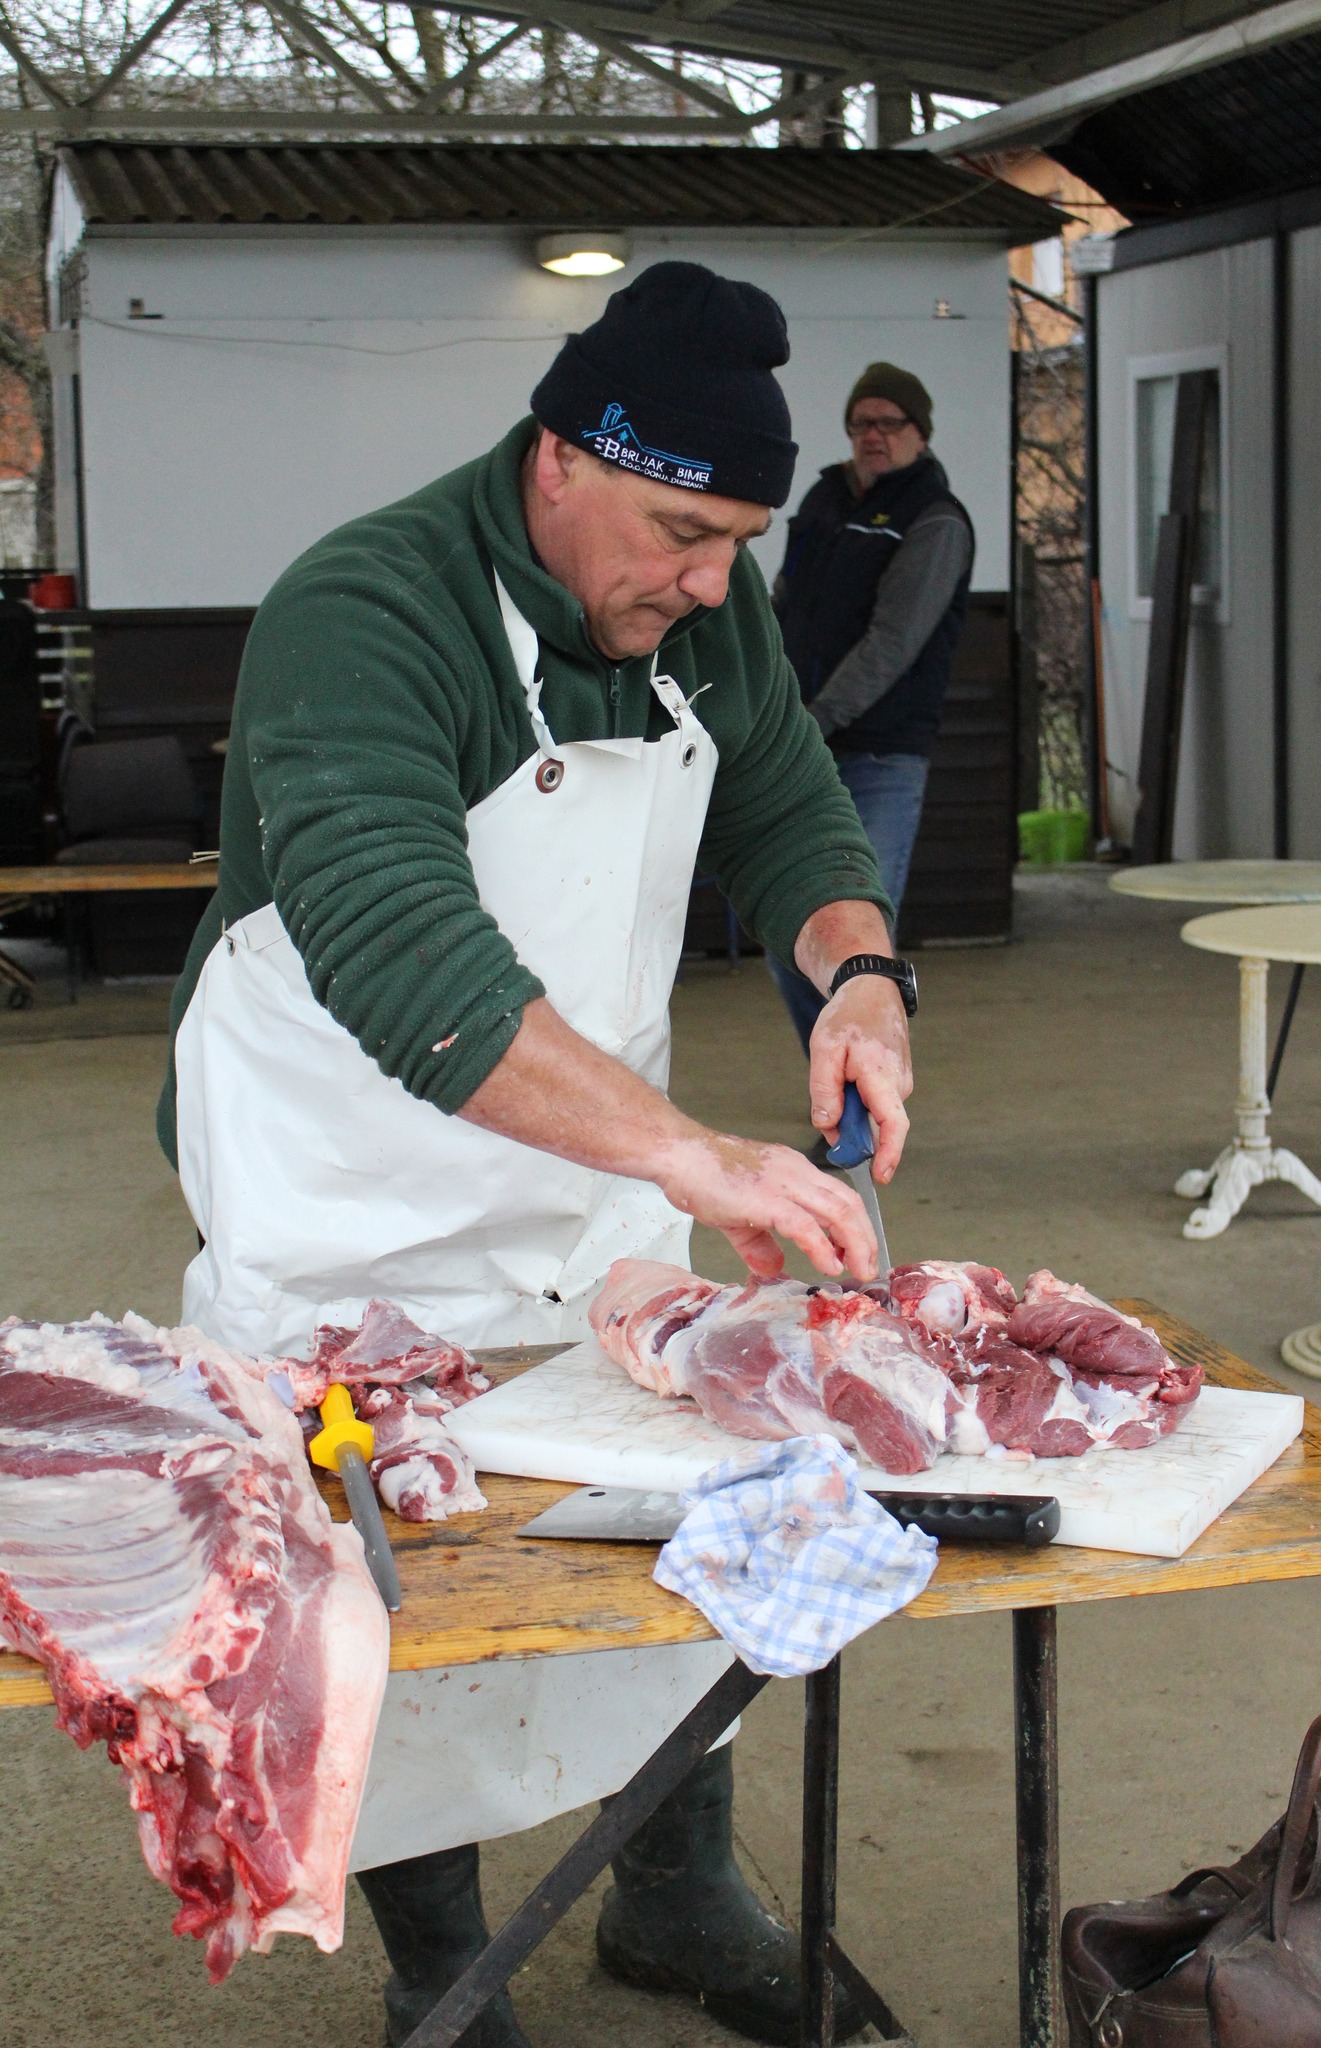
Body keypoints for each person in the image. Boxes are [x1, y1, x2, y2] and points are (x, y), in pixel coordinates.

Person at [157, 263, 917, 2048]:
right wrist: (701, 1158)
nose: (713, 581)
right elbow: (406, 956)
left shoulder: (700, 612)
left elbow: (792, 802)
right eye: (679, 529)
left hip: (585, 1158)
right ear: (562, 458)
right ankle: (443, 1953)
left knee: (665, 1508)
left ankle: (677, 1891)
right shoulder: (365, 604)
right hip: (343, 1168)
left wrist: (857, 974)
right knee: (400, 1574)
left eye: (739, 538)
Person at [769, 363, 975, 1118]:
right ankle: (839, 1086)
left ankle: (856, 1113)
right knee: (790, 936)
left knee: (859, 947)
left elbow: (893, 645)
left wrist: (809, 722)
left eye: (890, 423)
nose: (873, 435)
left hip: (879, 753)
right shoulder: (824, 500)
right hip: (804, 744)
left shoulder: (934, 520)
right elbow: (781, 604)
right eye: (862, 422)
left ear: (918, 433)